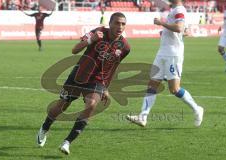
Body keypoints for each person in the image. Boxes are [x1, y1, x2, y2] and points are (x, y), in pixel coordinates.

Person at [36, 12, 130, 155]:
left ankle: (67, 142)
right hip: (78, 76)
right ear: (110, 23)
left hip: (97, 80)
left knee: (91, 104)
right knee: (63, 105)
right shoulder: (97, 32)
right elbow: (75, 50)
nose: (120, 26)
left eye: (123, 24)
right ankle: (44, 127)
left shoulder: (125, 47)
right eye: (117, 23)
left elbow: (113, 67)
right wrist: (90, 40)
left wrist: (105, 87)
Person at [126, 0, 204, 127]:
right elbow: (184, 31)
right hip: (162, 53)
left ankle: (197, 109)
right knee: (152, 85)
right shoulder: (174, 10)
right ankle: (143, 117)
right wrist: (166, 32)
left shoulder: (179, 10)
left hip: (172, 55)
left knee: (174, 89)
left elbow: (179, 27)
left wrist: (161, 23)